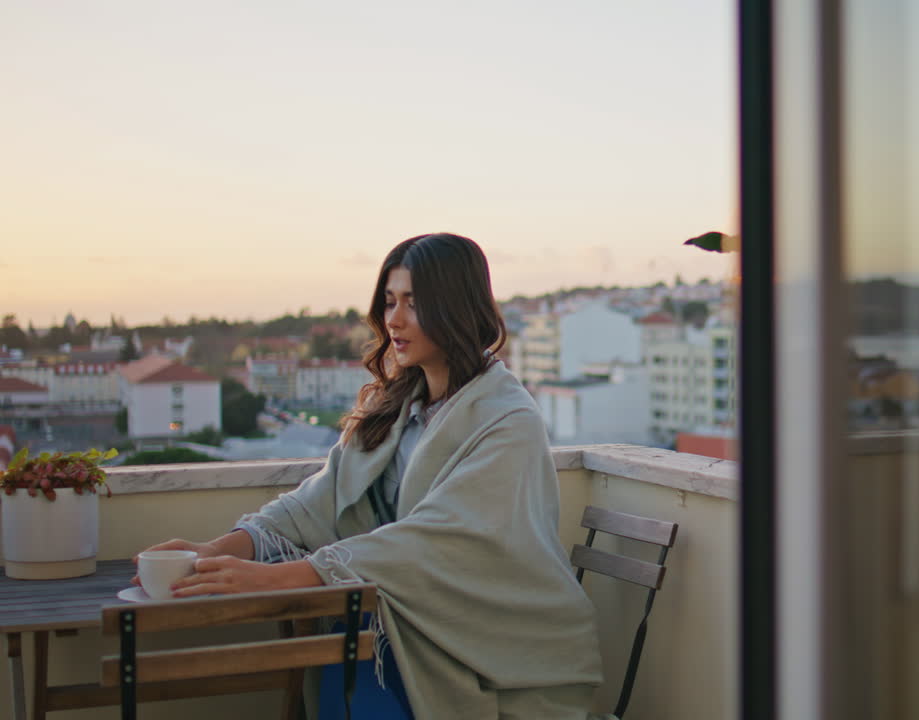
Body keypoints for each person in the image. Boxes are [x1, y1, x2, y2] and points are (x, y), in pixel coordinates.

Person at [135, 233, 604, 719]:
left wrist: (281, 578)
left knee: (352, 643)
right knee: (348, 641)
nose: (394, 320)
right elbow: (316, 502)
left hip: (503, 648)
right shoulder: (398, 408)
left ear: (456, 308)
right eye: (389, 302)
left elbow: (440, 540)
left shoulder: (508, 420)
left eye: (414, 304)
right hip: (404, 621)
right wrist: (213, 552)